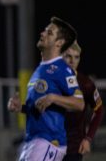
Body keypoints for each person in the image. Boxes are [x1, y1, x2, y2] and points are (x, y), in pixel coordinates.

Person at [7, 16, 85, 161]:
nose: (43, 34)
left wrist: (53, 98)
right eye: (45, 31)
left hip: (49, 141)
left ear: (59, 43)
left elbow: (79, 103)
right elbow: (40, 107)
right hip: (33, 140)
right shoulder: (40, 69)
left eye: (49, 33)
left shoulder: (62, 69)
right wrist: (21, 108)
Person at [62, 42, 104, 161]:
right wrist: (21, 108)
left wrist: (88, 138)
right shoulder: (51, 81)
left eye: (76, 57)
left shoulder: (86, 84)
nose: (72, 61)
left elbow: (99, 111)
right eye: (68, 56)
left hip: (74, 148)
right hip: (51, 145)